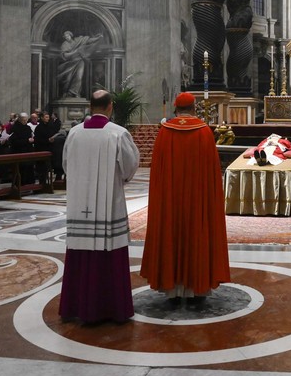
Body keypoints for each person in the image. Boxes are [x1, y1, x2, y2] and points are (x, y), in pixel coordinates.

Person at [59, 90, 140, 323]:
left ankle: (76, 307)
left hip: (78, 202)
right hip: (109, 204)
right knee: (109, 251)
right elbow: (129, 167)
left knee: (79, 250)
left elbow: (66, 165)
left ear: (90, 106)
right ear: (110, 107)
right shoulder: (118, 134)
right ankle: (112, 308)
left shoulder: (73, 134)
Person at [140, 92, 231, 300]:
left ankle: (172, 290)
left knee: (171, 231)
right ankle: (197, 288)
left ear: (176, 108)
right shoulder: (204, 132)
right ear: (194, 107)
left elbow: (158, 173)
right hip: (198, 199)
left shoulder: (165, 132)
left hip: (170, 200)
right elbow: (213, 175)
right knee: (196, 232)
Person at [57, 31, 102, 98]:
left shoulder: (78, 40)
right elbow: (65, 56)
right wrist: (75, 52)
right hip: (70, 63)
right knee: (68, 79)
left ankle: (74, 93)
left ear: (71, 35)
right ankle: (66, 93)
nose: (67, 38)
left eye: (68, 36)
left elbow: (88, 41)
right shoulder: (64, 44)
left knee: (79, 77)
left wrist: (98, 38)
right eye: (65, 37)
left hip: (80, 61)